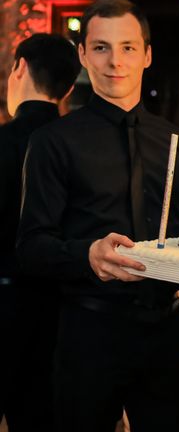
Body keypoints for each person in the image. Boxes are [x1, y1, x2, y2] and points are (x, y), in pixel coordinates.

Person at [16, 0, 179, 432]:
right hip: (89, 333)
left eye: (128, 48)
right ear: (82, 55)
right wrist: (88, 255)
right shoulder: (51, 142)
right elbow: (31, 247)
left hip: (167, 331)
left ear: (147, 55)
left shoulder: (171, 138)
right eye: (100, 48)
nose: (115, 61)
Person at [0, 33, 80, 431]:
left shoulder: (4, 142)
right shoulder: (78, 147)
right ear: (68, 87)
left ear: (19, 68)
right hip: (60, 313)